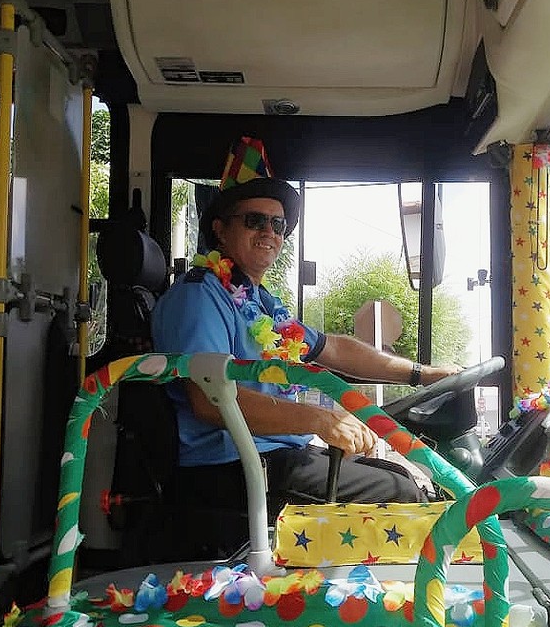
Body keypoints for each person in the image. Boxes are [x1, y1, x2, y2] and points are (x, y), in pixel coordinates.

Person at [151, 139, 458, 551]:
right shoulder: (199, 296)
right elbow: (209, 402)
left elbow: (335, 349)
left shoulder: (262, 304)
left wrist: (420, 373)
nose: (269, 233)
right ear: (220, 229)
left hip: (273, 458)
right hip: (231, 468)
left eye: (278, 225)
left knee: (403, 477)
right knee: (402, 495)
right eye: (255, 221)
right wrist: (318, 420)